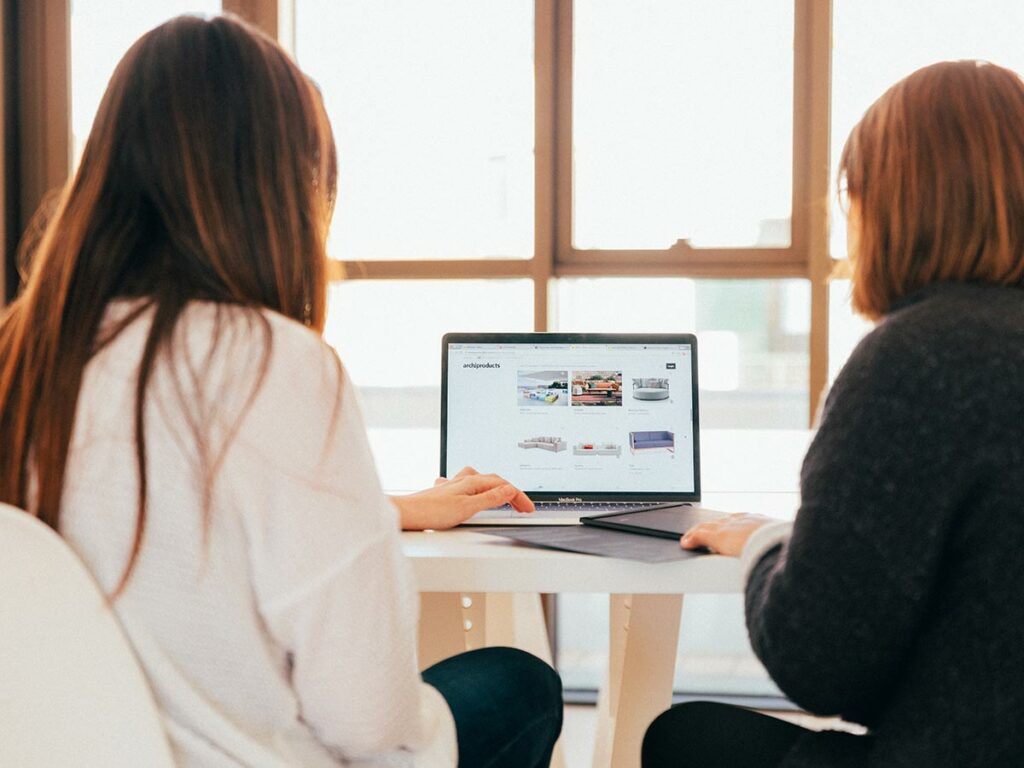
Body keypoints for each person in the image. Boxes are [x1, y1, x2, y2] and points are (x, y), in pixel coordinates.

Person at [0, 14, 562, 768]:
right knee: (521, 682)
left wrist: (385, 510)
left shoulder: (24, 352)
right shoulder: (274, 363)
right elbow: (367, 719)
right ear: (280, 188)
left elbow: (162, 524)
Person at [643, 59, 1024, 767]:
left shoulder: (917, 359)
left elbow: (819, 663)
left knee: (684, 740)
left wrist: (765, 546)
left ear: (891, 205)